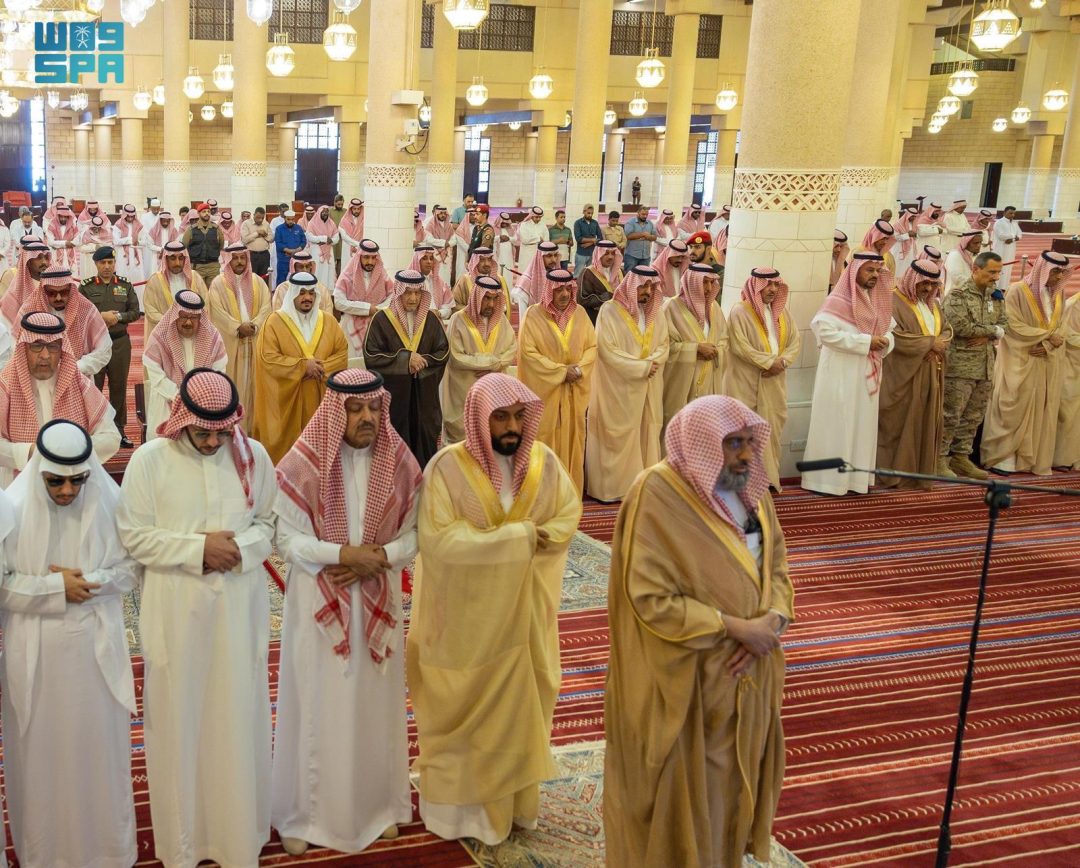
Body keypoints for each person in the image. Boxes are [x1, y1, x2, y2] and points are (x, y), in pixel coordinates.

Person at [604, 395, 794, 868]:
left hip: (748, 677)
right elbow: (649, 600)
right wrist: (736, 628)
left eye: (749, 442)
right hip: (686, 684)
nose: (746, 455)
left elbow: (778, 569)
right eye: (732, 444)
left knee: (731, 797)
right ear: (703, 445)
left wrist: (772, 621)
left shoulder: (752, 490)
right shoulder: (657, 495)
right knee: (689, 808)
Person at [409, 373, 581, 845]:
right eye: (500, 417)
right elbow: (439, 540)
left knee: (527, 706)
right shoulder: (446, 468)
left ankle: (514, 809)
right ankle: (462, 816)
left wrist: (537, 537)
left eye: (518, 417)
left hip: (527, 622)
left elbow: (566, 514)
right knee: (465, 714)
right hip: (467, 625)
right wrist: (519, 537)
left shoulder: (544, 463)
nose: (511, 427)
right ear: (479, 420)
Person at [117, 368, 276, 868]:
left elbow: (270, 524)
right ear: (181, 420)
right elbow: (133, 536)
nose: (212, 442)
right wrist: (197, 550)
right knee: (180, 721)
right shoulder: (149, 462)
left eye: (220, 432)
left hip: (238, 609)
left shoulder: (253, 458)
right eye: (202, 432)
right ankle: (184, 845)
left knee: (235, 716)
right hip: (175, 612)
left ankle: (237, 839)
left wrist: (241, 549)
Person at [272, 368, 421, 856]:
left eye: (373, 409)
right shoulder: (302, 465)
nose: (366, 418)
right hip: (320, 600)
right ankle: (304, 814)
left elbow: (419, 534)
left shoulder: (400, 464)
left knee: (373, 707)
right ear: (336, 413)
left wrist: (379, 558)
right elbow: (285, 539)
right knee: (317, 702)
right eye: (355, 410)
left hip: (375, 593)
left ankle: (377, 807)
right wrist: (341, 556)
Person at [0, 420, 138, 868]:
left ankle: (107, 852)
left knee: (98, 755)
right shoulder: (12, 507)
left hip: (96, 656)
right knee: (43, 761)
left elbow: (132, 569)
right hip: (36, 658)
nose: (66, 491)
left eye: (77, 480)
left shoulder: (109, 501)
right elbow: (2, 586)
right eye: (55, 481)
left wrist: (90, 581)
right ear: (39, 471)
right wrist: (53, 588)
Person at [801, 252, 895, 496]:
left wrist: (884, 341)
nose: (874, 275)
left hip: (866, 373)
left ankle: (855, 481)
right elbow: (825, 333)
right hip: (839, 374)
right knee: (837, 424)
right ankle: (826, 482)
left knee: (862, 425)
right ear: (855, 271)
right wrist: (866, 342)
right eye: (869, 270)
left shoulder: (878, 300)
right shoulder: (838, 300)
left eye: (877, 270)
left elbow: (890, 330)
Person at [0, 312, 120, 487]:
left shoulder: (77, 383)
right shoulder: (5, 385)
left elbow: (111, 438)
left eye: (53, 346)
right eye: (37, 345)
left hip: (73, 486)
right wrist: (31, 452)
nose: (45, 355)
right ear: (23, 347)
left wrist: (70, 451)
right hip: (20, 489)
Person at [584, 265, 670, 502]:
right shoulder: (610, 311)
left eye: (651, 287)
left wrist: (653, 362)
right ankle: (613, 489)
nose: (647, 292)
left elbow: (664, 344)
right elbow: (607, 350)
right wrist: (642, 367)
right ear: (631, 286)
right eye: (643, 286)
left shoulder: (656, 312)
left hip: (649, 385)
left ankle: (642, 485)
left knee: (647, 431)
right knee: (617, 435)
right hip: (617, 388)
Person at [981, 251, 1070, 476]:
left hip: (1046, 360)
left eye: (1062, 272)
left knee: (1042, 407)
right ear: (1043, 269)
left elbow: (1062, 327)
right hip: (1021, 358)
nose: (1059, 276)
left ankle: (1031, 461)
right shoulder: (1018, 290)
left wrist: (1049, 344)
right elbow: (1011, 324)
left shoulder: (1058, 294)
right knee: (1014, 405)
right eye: (1055, 271)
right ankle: (1004, 460)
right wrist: (1045, 336)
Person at [251, 271, 350, 464]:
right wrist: (302, 367)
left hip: (321, 402)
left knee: (320, 460)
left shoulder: (328, 321)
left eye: (311, 293)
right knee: (288, 463)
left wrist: (321, 369)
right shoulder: (274, 322)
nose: (307, 298)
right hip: (287, 407)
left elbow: (342, 354)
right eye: (302, 293)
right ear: (292, 294)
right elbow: (268, 359)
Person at [517, 268, 597, 492]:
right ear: (549, 290)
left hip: (573, 395)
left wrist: (578, 371)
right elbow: (529, 355)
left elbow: (592, 347)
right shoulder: (533, 315)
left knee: (574, 440)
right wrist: (561, 372)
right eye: (558, 289)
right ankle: (542, 495)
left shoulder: (580, 313)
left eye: (567, 289)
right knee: (542, 441)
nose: (564, 294)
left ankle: (569, 493)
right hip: (545, 397)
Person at [876, 260, 952, 490]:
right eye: (924, 283)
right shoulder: (893, 301)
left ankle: (918, 474)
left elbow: (947, 330)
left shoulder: (933, 304)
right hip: (903, 375)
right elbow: (894, 336)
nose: (928, 289)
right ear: (913, 278)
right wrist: (929, 344)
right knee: (898, 424)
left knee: (925, 421)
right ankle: (893, 475)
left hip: (931, 372)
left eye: (932, 284)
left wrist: (938, 344)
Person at [723, 268, 801, 490]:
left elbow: (795, 342)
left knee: (769, 432)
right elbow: (739, 346)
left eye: (777, 285)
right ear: (756, 286)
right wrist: (769, 362)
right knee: (743, 434)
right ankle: (741, 486)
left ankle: (766, 481)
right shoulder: (740, 311)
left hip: (774, 383)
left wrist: (782, 362)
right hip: (745, 384)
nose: (773, 290)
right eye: (768, 285)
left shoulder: (782, 314)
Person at [363, 270, 449, 467]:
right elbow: (372, 355)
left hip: (425, 397)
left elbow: (443, 351)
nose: (413, 298)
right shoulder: (381, 320)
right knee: (394, 443)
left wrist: (422, 362)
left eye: (418, 293)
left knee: (425, 438)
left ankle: (425, 484)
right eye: (408, 293)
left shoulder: (431, 319)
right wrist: (405, 361)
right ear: (398, 293)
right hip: (394, 398)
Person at [939, 251, 1007, 479]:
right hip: (960, 367)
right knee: (950, 415)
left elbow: (1005, 324)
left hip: (986, 365)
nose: (996, 277)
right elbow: (962, 328)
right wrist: (992, 332)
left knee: (973, 416)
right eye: (991, 272)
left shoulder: (995, 296)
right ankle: (939, 459)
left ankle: (960, 458)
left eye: (998, 272)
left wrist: (989, 334)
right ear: (976, 270)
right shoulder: (958, 296)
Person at [441, 274, 517, 444]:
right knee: (462, 449)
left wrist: (491, 363)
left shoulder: (501, 321)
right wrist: (493, 363)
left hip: (493, 394)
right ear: (476, 297)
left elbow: (512, 349)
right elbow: (455, 357)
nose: (491, 304)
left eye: (494, 299)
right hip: (463, 394)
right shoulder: (458, 319)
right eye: (486, 298)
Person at [78, 249, 142, 448]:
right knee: (93, 388)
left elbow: (134, 312)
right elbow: (79, 313)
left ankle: (119, 430)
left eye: (110, 262)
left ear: (115, 263)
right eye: (103, 263)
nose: (107, 267)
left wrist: (118, 317)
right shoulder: (86, 287)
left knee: (118, 388)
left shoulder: (125, 285)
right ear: (96, 264)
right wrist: (101, 316)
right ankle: (92, 429)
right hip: (95, 345)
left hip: (120, 343)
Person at [143, 290, 228, 438]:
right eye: (183, 317)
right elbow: (156, 375)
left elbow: (219, 373)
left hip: (204, 404)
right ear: (175, 315)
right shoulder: (159, 337)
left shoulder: (212, 337)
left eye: (193, 318)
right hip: (167, 401)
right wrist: (180, 398)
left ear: (200, 318)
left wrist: (199, 398)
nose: (188, 322)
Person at [207, 244, 273, 427]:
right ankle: (230, 428)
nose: (239, 262)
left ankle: (253, 429)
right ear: (228, 260)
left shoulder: (257, 282)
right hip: (231, 345)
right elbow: (217, 313)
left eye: (242, 258)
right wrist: (237, 328)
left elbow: (267, 306)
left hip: (255, 341)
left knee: (255, 388)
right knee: (232, 386)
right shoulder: (218, 284)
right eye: (235, 258)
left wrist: (256, 325)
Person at [662, 263, 727, 432]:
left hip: (708, 383)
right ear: (691, 282)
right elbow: (665, 346)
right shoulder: (671, 307)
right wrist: (695, 350)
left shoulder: (714, 309)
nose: (708, 288)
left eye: (711, 283)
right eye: (704, 282)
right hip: (681, 385)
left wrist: (716, 350)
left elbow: (725, 340)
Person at [25, 265, 112, 378]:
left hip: (78, 377)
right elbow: (17, 349)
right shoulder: (29, 310)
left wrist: (77, 367)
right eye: (51, 293)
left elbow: (105, 348)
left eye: (64, 292)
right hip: (39, 380)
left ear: (71, 289)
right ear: (44, 291)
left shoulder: (86, 309)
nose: (58, 298)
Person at [334, 238, 391, 361]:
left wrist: (378, 309)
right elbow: (338, 302)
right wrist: (366, 308)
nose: (370, 261)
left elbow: (393, 296)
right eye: (366, 257)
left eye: (373, 258)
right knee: (353, 366)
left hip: (375, 326)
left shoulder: (382, 274)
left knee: (372, 366)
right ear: (359, 257)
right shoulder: (348, 275)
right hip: (350, 329)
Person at [143, 241, 209, 339]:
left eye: (181, 258)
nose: (177, 263)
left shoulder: (195, 278)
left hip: (191, 331)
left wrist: (190, 323)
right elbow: (150, 310)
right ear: (166, 259)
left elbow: (205, 305)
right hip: (165, 335)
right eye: (173, 258)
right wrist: (173, 323)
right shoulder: (155, 280)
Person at [1053, 291, 1080, 471]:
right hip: (1072, 367)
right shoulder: (1073, 305)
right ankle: (1062, 458)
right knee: (1068, 413)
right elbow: (1068, 336)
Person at [0, 241, 51, 328]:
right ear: (28, 261)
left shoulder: (52, 285)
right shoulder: (15, 288)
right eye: (39, 258)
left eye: (46, 258)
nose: (44, 262)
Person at [511, 240, 561, 322]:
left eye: (555, 255)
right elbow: (524, 317)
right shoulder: (527, 281)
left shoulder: (556, 276)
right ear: (540, 257)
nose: (553, 260)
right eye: (549, 256)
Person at [451, 246, 511, 314]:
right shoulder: (465, 280)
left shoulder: (499, 280)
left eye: (489, 259)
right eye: (482, 260)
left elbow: (506, 306)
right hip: (470, 322)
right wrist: (474, 311)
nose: (487, 264)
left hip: (495, 323)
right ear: (475, 262)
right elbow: (454, 305)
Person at [577, 239, 624, 325]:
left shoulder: (620, 272)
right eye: (606, 253)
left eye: (613, 253)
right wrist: (607, 296)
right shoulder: (588, 273)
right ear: (598, 254)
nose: (610, 257)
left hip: (618, 319)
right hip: (597, 320)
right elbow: (582, 300)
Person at [272, 251, 334, 315]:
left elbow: (328, 315)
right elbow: (277, 315)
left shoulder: (321, 289)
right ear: (294, 268)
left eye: (307, 266)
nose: (304, 270)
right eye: (301, 267)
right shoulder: (283, 288)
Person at [408, 245, 454, 325]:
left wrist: (439, 313)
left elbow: (448, 307)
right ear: (417, 261)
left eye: (431, 258)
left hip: (435, 324)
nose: (429, 261)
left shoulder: (440, 282)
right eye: (424, 258)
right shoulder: (407, 282)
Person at [182, 203, 223, 284]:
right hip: (197, 267)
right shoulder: (191, 230)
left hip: (213, 267)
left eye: (208, 211)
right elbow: (184, 248)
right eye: (204, 212)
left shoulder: (217, 229)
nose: (207, 213)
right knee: (198, 293)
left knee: (213, 292)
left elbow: (220, 245)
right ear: (198, 214)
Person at [304, 204, 339, 289]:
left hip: (329, 252)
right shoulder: (312, 223)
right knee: (318, 271)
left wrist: (331, 240)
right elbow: (309, 236)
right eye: (323, 212)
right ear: (319, 213)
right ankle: (316, 289)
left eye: (327, 212)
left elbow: (336, 237)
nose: (325, 214)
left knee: (329, 272)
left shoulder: (331, 223)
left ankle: (327, 291)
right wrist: (324, 238)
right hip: (317, 252)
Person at [140, 210, 181, 276]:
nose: (165, 222)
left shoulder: (174, 230)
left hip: (170, 256)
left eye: (167, 220)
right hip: (156, 257)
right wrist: (160, 249)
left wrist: (169, 250)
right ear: (160, 220)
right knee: (157, 275)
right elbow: (149, 245)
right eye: (163, 220)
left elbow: (177, 243)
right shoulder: (153, 230)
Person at [991, 205, 1023, 288]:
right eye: (1010, 213)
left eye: (1013, 213)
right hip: (1000, 248)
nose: (1012, 215)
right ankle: (995, 286)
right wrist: (1014, 237)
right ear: (1004, 213)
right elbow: (1001, 236)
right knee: (998, 266)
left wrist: (1013, 238)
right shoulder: (999, 222)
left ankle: (1004, 287)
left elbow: (1020, 234)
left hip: (1011, 249)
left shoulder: (1015, 223)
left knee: (1008, 267)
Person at [421, 204, 453, 285]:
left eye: (444, 213)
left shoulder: (448, 225)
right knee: (437, 274)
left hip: (446, 254)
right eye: (441, 213)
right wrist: (443, 243)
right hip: (435, 254)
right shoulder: (430, 224)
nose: (443, 215)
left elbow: (454, 238)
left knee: (446, 275)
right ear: (436, 213)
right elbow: (428, 239)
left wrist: (449, 243)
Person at [112, 204, 145, 283]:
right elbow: (115, 241)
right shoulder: (118, 225)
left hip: (136, 256)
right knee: (123, 276)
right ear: (124, 215)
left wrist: (138, 242)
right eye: (128, 216)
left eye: (132, 216)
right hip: (123, 256)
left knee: (137, 278)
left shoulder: (138, 225)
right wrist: (129, 240)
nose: (130, 218)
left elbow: (144, 241)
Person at [274, 209, 307, 285]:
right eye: (288, 219)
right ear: (285, 218)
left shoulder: (298, 228)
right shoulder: (279, 229)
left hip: (296, 260)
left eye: (292, 219)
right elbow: (278, 244)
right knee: (282, 281)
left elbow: (303, 241)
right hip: (284, 259)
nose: (290, 221)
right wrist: (289, 251)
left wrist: (297, 250)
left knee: (296, 279)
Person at [944, 230, 983, 295]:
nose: (979, 245)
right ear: (966, 243)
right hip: (955, 296)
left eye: (980, 242)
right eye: (975, 243)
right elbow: (957, 278)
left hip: (970, 293)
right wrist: (978, 284)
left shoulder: (974, 256)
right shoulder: (955, 255)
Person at [241, 207, 273, 283]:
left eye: (262, 218)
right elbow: (244, 240)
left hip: (265, 255)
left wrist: (264, 234)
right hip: (252, 255)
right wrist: (257, 233)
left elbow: (271, 239)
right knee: (252, 278)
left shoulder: (266, 224)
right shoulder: (246, 224)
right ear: (254, 215)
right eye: (258, 217)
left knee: (265, 278)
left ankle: (264, 294)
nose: (260, 220)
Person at [44, 203, 79, 272]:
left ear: (68, 216)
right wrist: (66, 243)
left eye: (65, 217)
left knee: (72, 277)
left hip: (70, 256)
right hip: (56, 256)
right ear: (58, 216)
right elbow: (51, 242)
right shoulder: (52, 225)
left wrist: (58, 244)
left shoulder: (73, 226)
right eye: (61, 217)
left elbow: (77, 240)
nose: (63, 219)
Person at [78, 215, 115, 280]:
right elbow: (81, 248)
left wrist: (101, 248)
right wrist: (94, 247)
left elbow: (110, 247)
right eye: (94, 227)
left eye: (98, 228)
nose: (96, 229)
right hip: (89, 261)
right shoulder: (85, 234)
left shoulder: (107, 234)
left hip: (102, 262)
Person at [622, 205, 657, 273]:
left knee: (643, 277)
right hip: (632, 255)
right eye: (643, 214)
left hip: (646, 256)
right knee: (629, 276)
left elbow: (654, 237)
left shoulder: (650, 223)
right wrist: (643, 234)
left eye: (646, 214)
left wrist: (648, 237)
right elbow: (628, 236)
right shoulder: (630, 222)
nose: (645, 216)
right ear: (638, 213)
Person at [516, 206, 550, 274]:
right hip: (526, 255)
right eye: (536, 217)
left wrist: (535, 239)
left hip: (539, 255)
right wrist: (538, 239)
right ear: (531, 216)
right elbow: (524, 239)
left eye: (540, 217)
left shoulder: (543, 226)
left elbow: (546, 240)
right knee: (526, 274)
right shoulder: (524, 225)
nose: (538, 219)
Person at [573, 204, 603, 277]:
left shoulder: (595, 223)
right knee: (578, 275)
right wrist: (593, 240)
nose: (590, 215)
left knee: (591, 275)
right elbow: (579, 239)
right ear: (584, 212)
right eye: (588, 213)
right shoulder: (578, 223)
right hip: (581, 253)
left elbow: (600, 238)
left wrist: (590, 243)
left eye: (592, 213)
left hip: (592, 253)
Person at [338, 198, 366, 275]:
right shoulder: (344, 220)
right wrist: (358, 244)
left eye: (358, 209)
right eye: (354, 209)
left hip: (360, 250)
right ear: (351, 209)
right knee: (346, 271)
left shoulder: (364, 221)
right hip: (347, 250)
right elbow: (344, 237)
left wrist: (360, 245)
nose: (356, 211)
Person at [328, 193, 346, 274]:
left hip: (342, 239)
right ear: (334, 202)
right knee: (332, 259)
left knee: (340, 259)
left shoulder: (346, 211)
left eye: (342, 204)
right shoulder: (329, 211)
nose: (340, 206)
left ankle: (339, 278)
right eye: (338, 204)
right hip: (332, 239)